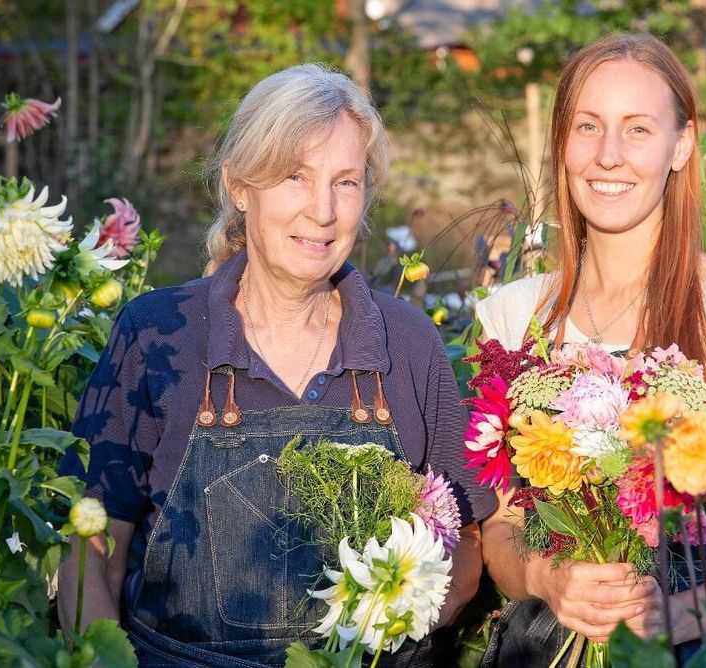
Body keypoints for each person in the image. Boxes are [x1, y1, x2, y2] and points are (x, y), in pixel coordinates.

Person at [57, 64, 496, 667]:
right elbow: (89, 550)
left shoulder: (409, 344)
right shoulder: (159, 335)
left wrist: (404, 621)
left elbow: (468, 542)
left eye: (346, 182)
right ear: (238, 186)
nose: (322, 211)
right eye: (295, 177)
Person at [473, 33, 706, 665]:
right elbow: (502, 527)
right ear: (560, 143)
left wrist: (675, 615)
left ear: (682, 145)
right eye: (588, 126)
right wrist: (547, 579)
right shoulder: (515, 318)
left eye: (636, 130)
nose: (606, 156)